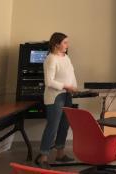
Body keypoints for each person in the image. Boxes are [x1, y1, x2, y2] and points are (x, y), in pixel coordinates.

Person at [35, 32, 77, 169]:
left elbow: (71, 75)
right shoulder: (51, 59)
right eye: (65, 42)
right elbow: (49, 81)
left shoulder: (66, 57)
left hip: (67, 95)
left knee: (64, 125)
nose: (67, 45)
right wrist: (66, 86)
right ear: (56, 44)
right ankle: (43, 157)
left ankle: (60, 154)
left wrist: (74, 88)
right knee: (53, 126)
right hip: (55, 96)